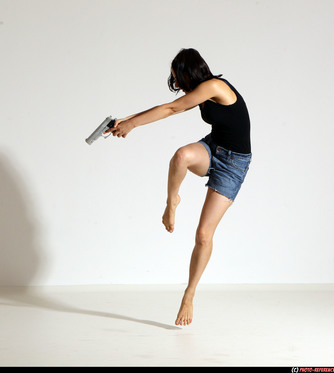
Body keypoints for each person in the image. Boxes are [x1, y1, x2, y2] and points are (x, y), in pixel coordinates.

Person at [106, 48, 252, 326]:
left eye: (177, 77)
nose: (176, 83)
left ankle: (189, 294)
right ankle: (172, 201)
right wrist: (126, 120)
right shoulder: (201, 89)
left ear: (189, 73)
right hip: (213, 148)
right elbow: (167, 106)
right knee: (182, 155)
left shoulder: (213, 86)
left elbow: (172, 108)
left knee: (203, 235)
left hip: (234, 164)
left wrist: (133, 125)